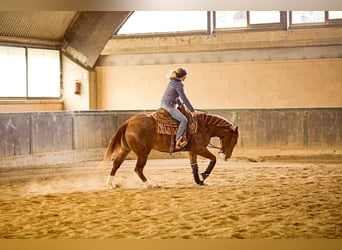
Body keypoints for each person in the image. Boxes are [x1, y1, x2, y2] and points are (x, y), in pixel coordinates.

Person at [160, 67, 197, 149]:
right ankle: (178, 141)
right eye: (185, 76)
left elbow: (175, 96)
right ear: (182, 76)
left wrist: (180, 105)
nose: (186, 77)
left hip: (164, 104)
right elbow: (184, 97)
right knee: (184, 120)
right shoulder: (179, 84)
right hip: (169, 106)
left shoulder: (173, 81)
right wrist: (192, 111)